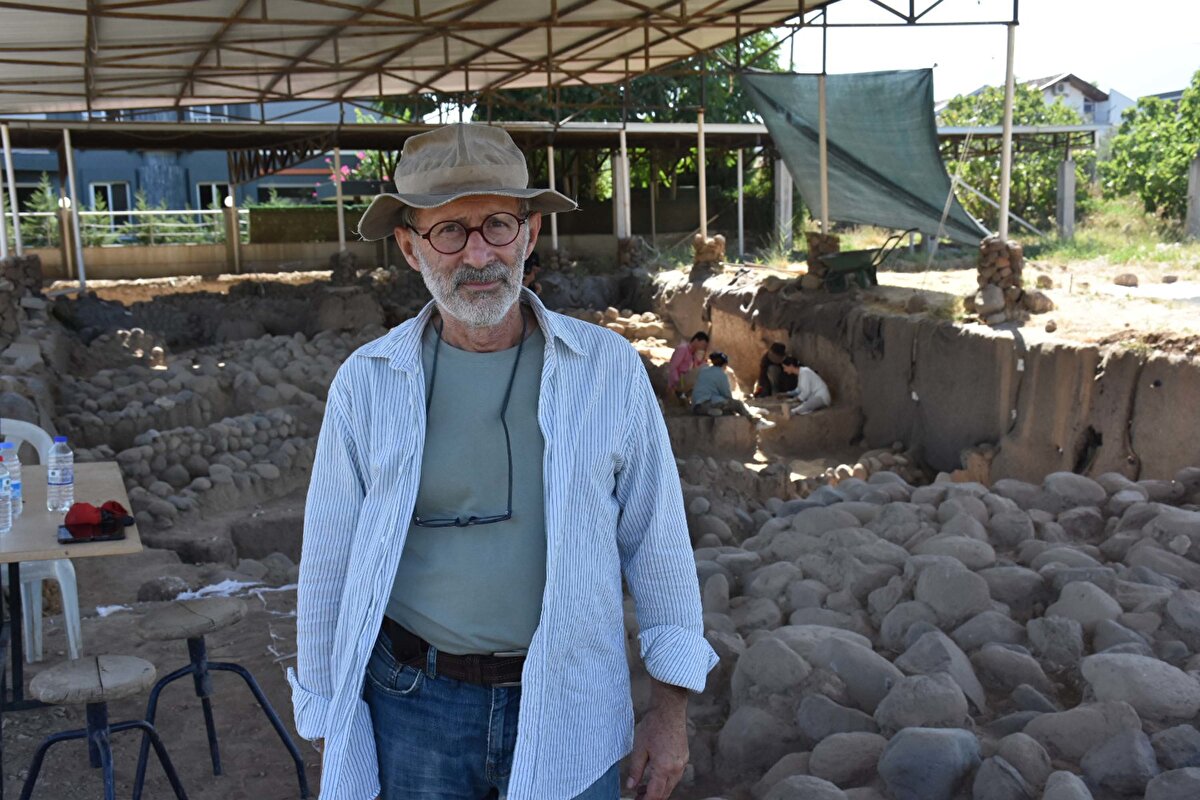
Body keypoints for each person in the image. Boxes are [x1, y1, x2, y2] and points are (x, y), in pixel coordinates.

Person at [290, 123, 716, 800]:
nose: (479, 253)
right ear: (409, 247)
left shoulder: (606, 371)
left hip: (574, 701)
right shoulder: (366, 383)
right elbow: (327, 562)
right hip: (413, 706)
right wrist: (323, 713)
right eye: (449, 232)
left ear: (530, 232)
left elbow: (658, 546)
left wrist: (670, 714)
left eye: (496, 224)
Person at [691, 352, 776, 430]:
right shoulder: (721, 374)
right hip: (709, 401)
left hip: (697, 406)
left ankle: (711, 411)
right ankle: (756, 421)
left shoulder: (703, 370)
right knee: (737, 404)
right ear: (725, 365)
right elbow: (727, 395)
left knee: (728, 410)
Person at [666, 331, 708, 398]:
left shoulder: (693, 353)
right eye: (703, 345)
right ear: (696, 340)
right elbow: (673, 367)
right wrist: (675, 383)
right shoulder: (683, 349)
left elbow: (696, 366)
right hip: (679, 381)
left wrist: (703, 358)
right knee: (703, 369)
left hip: (685, 381)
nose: (703, 348)